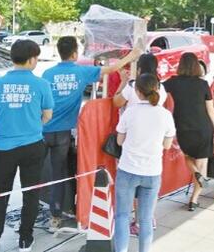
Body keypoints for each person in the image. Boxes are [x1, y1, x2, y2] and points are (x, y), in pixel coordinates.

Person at [42, 37, 141, 230]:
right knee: (59, 173)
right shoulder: (81, 72)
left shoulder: (47, 73)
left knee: (41, 174)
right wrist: (133, 55)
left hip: (43, 130)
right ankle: (56, 216)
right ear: (74, 54)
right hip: (63, 133)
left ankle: (38, 211)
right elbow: (111, 69)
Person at [0, 40, 54, 252]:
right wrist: (32, 126)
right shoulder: (41, 84)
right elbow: (47, 115)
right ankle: (25, 239)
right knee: (31, 193)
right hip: (33, 146)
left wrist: (6, 127)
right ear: (31, 59)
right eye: (36, 58)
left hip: (4, 148)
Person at [115, 74, 176, 252]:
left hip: (127, 170)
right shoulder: (165, 115)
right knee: (146, 219)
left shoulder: (130, 112)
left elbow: (119, 141)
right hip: (152, 172)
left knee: (122, 216)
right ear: (157, 89)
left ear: (137, 91)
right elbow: (167, 145)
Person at [163, 53, 214, 211]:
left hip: (183, 127)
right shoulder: (203, 84)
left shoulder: (173, 82)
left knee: (187, 156)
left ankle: (196, 173)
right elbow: (211, 110)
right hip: (204, 128)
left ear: (180, 65)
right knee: (202, 164)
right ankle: (194, 200)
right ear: (196, 66)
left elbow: (156, 88)